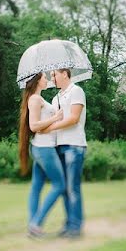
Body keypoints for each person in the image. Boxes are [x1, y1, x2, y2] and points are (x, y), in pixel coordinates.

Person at [18, 72, 64, 238]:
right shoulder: (35, 99)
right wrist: (56, 118)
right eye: (45, 77)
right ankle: (36, 224)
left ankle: (33, 226)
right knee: (60, 185)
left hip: (40, 147)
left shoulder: (38, 98)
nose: (47, 79)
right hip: (44, 148)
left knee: (36, 187)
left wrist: (55, 115)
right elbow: (34, 126)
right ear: (37, 81)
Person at [43, 67, 87, 238]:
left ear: (64, 74)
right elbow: (54, 121)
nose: (52, 78)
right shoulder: (55, 98)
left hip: (74, 145)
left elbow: (74, 118)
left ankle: (76, 227)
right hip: (59, 146)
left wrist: (51, 126)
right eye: (51, 75)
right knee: (63, 188)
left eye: (54, 74)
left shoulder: (77, 91)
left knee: (72, 187)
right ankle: (69, 224)